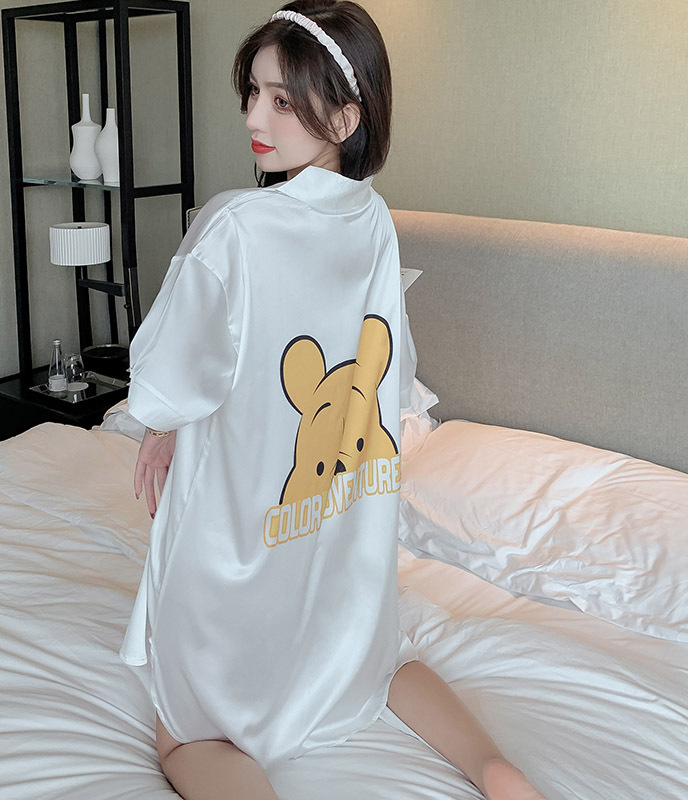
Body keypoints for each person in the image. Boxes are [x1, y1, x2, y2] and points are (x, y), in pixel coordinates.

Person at [121, 3, 549, 799]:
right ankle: (497, 770)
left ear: (346, 118)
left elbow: (173, 375)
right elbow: (386, 369)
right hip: (340, 543)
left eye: (282, 101)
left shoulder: (235, 225)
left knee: (184, 734)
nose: (255, 118)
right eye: (253, 93)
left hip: (245, 543)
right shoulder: (374, 220)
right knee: (376, 665)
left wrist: (161, 426)